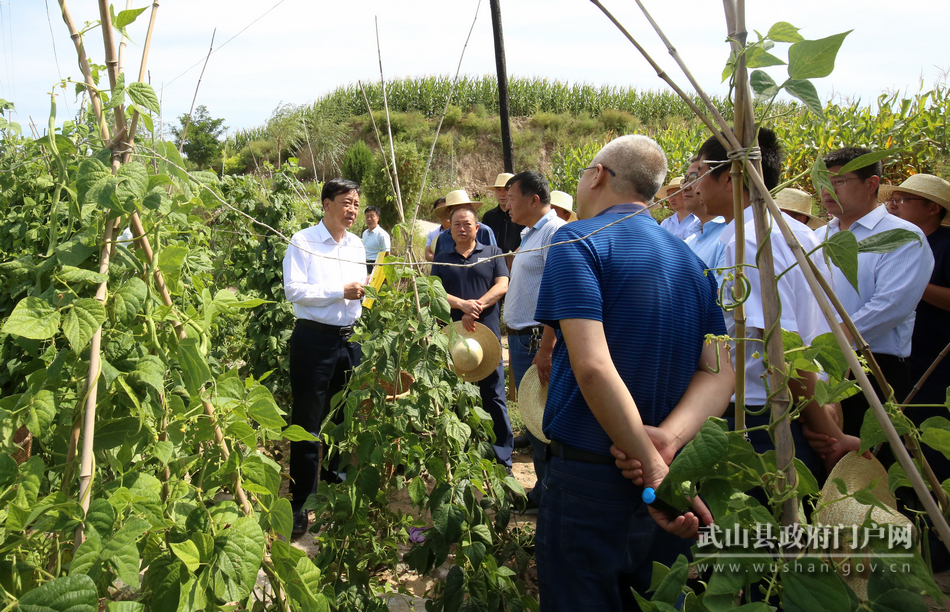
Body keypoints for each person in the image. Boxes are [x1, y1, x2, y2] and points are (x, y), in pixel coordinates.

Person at [534, 135, 735, 611]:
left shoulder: (577, 239)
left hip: (592, 479)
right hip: (668, 484)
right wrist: (666, 442)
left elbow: (593, 366)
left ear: (598, 174)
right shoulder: (690, 260)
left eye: (584, 172)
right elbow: (720, 374)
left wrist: (652, 464)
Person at [694, 129, 857, 473]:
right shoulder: (799, 233)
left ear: (729, 179)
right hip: (801, 406)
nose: (695, 187)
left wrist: (827, 432)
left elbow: (780, 348)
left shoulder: (748, 242)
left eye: (701, 175)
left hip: (759, 415)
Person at [816, 148, 934, 437]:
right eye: (822, 181)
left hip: (872, 365)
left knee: (868, 462)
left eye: (839, 181)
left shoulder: (902, 236)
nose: (826, 190)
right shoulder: (816, 238)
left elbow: (891, 305)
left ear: (871, 184)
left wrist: (835, 341)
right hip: (815, 361)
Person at [282, 178, 366, 537]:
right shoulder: (303, 241)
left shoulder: (358, 244)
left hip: (349, 342)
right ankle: (300, 503)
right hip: (313, 342)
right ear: (327, 203)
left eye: (357, 205)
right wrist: (339, 292)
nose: (352, 210)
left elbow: (361, 290)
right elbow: (294, 290)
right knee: (307, 423)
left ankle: (334, 484)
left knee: (343, 417)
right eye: (347, 202)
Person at [430, 206, 513, 469]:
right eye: (457, 225)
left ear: (477, 228)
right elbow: (435, 292)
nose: (462, 228)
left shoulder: (492, 253)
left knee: (494, 392)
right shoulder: (442, 258)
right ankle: (461, 453)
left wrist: (477, 304)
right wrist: (462, 305)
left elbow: (502, 284)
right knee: (457, 392)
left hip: (486, 331)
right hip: (453, 333)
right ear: (449, 229)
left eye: (467, 224)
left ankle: (502, 455)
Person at [503, 171, 566, 513]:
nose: (506, 204)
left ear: (533, 199)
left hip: (536, 340)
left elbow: (558, 294)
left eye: (511, 197)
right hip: (522, 338)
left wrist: (547, 347)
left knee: (543, 421)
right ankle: (545, 489)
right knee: (532, 416)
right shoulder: (530, 234)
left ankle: (550, 494)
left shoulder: (553, 232)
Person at [883, 174, 950, 406]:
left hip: (936, 358)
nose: (892, 205)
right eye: (891, 200)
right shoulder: (893, 242)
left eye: (902, 200)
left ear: (933, 208)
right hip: (896, 354)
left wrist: (913, 283)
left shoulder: (946, 244)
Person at [682, 158, 727, 269]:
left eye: (695, 177)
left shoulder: (732, 235)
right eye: (684, 180)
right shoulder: (689, 241)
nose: (685, 187)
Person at [432, 190, 497, 257]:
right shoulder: (443, 238)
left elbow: (494, 258)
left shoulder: (484, 231)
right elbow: (438, 265)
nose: (461, 212)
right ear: (449, 212)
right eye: (457, 209)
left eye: (465, 208)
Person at [481, 172, 524, 269]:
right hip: (492, 265)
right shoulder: (489, 216)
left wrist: (514, 256)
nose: (502, 194)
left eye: (506, 189)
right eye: (499, 190)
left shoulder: (522, 216)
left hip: (518, 264)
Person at [361, 205, 390, 273]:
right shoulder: (365, 233)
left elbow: (387, 254)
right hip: (364, 264)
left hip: (375, 266)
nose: (369, 219)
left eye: (372, 216)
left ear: (378, 218)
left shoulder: (382, 234)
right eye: (367, 216)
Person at [424, 197, 449, 262]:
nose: (444, 213)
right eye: (440, 211)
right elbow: (427, 254)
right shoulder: (432, 233)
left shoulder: (460, 232)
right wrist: (443, 261)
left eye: (446, 210)